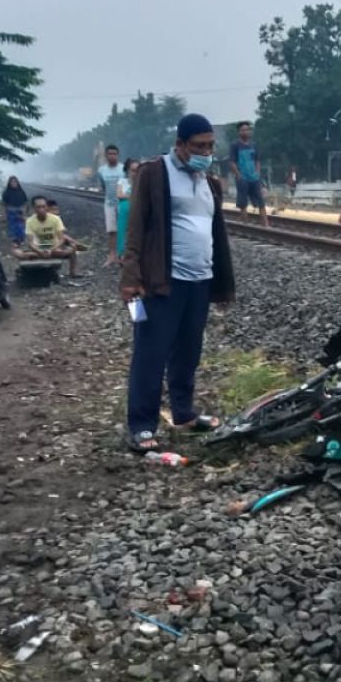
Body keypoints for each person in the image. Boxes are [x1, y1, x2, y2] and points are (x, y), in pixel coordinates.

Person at [120, 113, 235, 452]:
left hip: (199, 280)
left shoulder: (209, 182)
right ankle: (141, 425)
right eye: (200, 146)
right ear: (180, 145)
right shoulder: (154, 173)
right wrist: (131, 277)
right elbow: (137, 227)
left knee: (188, 352)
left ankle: (183, 413)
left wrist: (222, 282)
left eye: (211, 145)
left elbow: (216, 234)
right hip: (163, 282)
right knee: (151, 354)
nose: (207, 151)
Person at [13, 195, 78, 277]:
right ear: (34, 208)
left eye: (44, 206)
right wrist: (40, 251)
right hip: (38, 249)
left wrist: (51, 249)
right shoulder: (30, 221)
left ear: (47, 207)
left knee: (73, 248)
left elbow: (61, 239)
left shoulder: (55, 219)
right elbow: (31, 242)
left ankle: (73, 273)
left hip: (54, 249)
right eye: (38, 207)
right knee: (16, 252)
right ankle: (37, 257)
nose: (41, 209)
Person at [229, 121, 269, 226]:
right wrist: (238, 174)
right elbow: (232, 162)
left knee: (261, 201)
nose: (245, 132)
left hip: (254, 177)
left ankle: (265, 224)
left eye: (247, 129)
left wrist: (257, 172)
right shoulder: (235, 145)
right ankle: (245, 224)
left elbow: (257, 160)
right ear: (239, 132)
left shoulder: (253, 145)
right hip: (242, 178)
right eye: (243, 130)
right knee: (243, 203)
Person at [98, 145, 125, 266]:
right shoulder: (101, 170)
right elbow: (103, 186)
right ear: (106, 155)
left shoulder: (123, 169)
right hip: (109, 203)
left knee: (123, 229)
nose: (112, 156)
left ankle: (122, 255)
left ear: (118, 155)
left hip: (122, 203)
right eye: (110, 154)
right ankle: (111, 256)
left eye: (114, 154)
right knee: (111, 231)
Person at [115, 158, 139, 259]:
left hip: (137, 211)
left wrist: (128, 196)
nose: (135, 173)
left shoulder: (141, 182)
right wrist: (132, 196)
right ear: (128, 170)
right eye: (133, 170)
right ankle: (121, 253)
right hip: (124, 211)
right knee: (122, 231)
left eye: (138, 170)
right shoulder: (122, 181)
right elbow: (119, 195)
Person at [1, 176, 29, 246]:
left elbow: (25, 202)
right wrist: (4, 214)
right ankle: (15, 241)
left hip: (20, 211)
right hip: (11, 212)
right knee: (12, 227)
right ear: (9, 183)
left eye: (15, 182)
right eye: (12, 182)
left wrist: (24, 212)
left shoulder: (21, 192)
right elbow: (4, 204)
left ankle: (22, 240)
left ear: (17, 183)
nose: (13, 183)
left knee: (20, 226)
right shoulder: (6, 192)